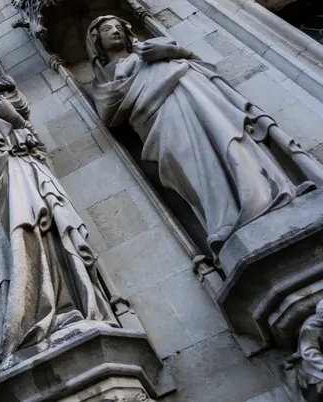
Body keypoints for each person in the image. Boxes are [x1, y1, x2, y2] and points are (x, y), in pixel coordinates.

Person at [0, 64, 116, 373]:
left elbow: (17, 114)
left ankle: (66, 309)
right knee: (3, 261)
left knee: (44, 242)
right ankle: (13, 333)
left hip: (20, 187)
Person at [86, 15, 323, 253]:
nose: (115, 31)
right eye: (107, 29)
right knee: (194, 164)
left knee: (230, 141)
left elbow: (203, 66)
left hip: (197, 98)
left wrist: (171, 50)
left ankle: (264, 194)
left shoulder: (150, 50)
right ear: (97, 42)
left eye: (118, 27)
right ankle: (227, 220)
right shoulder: (103, 83)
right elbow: (107, 111)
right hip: (161, 119)